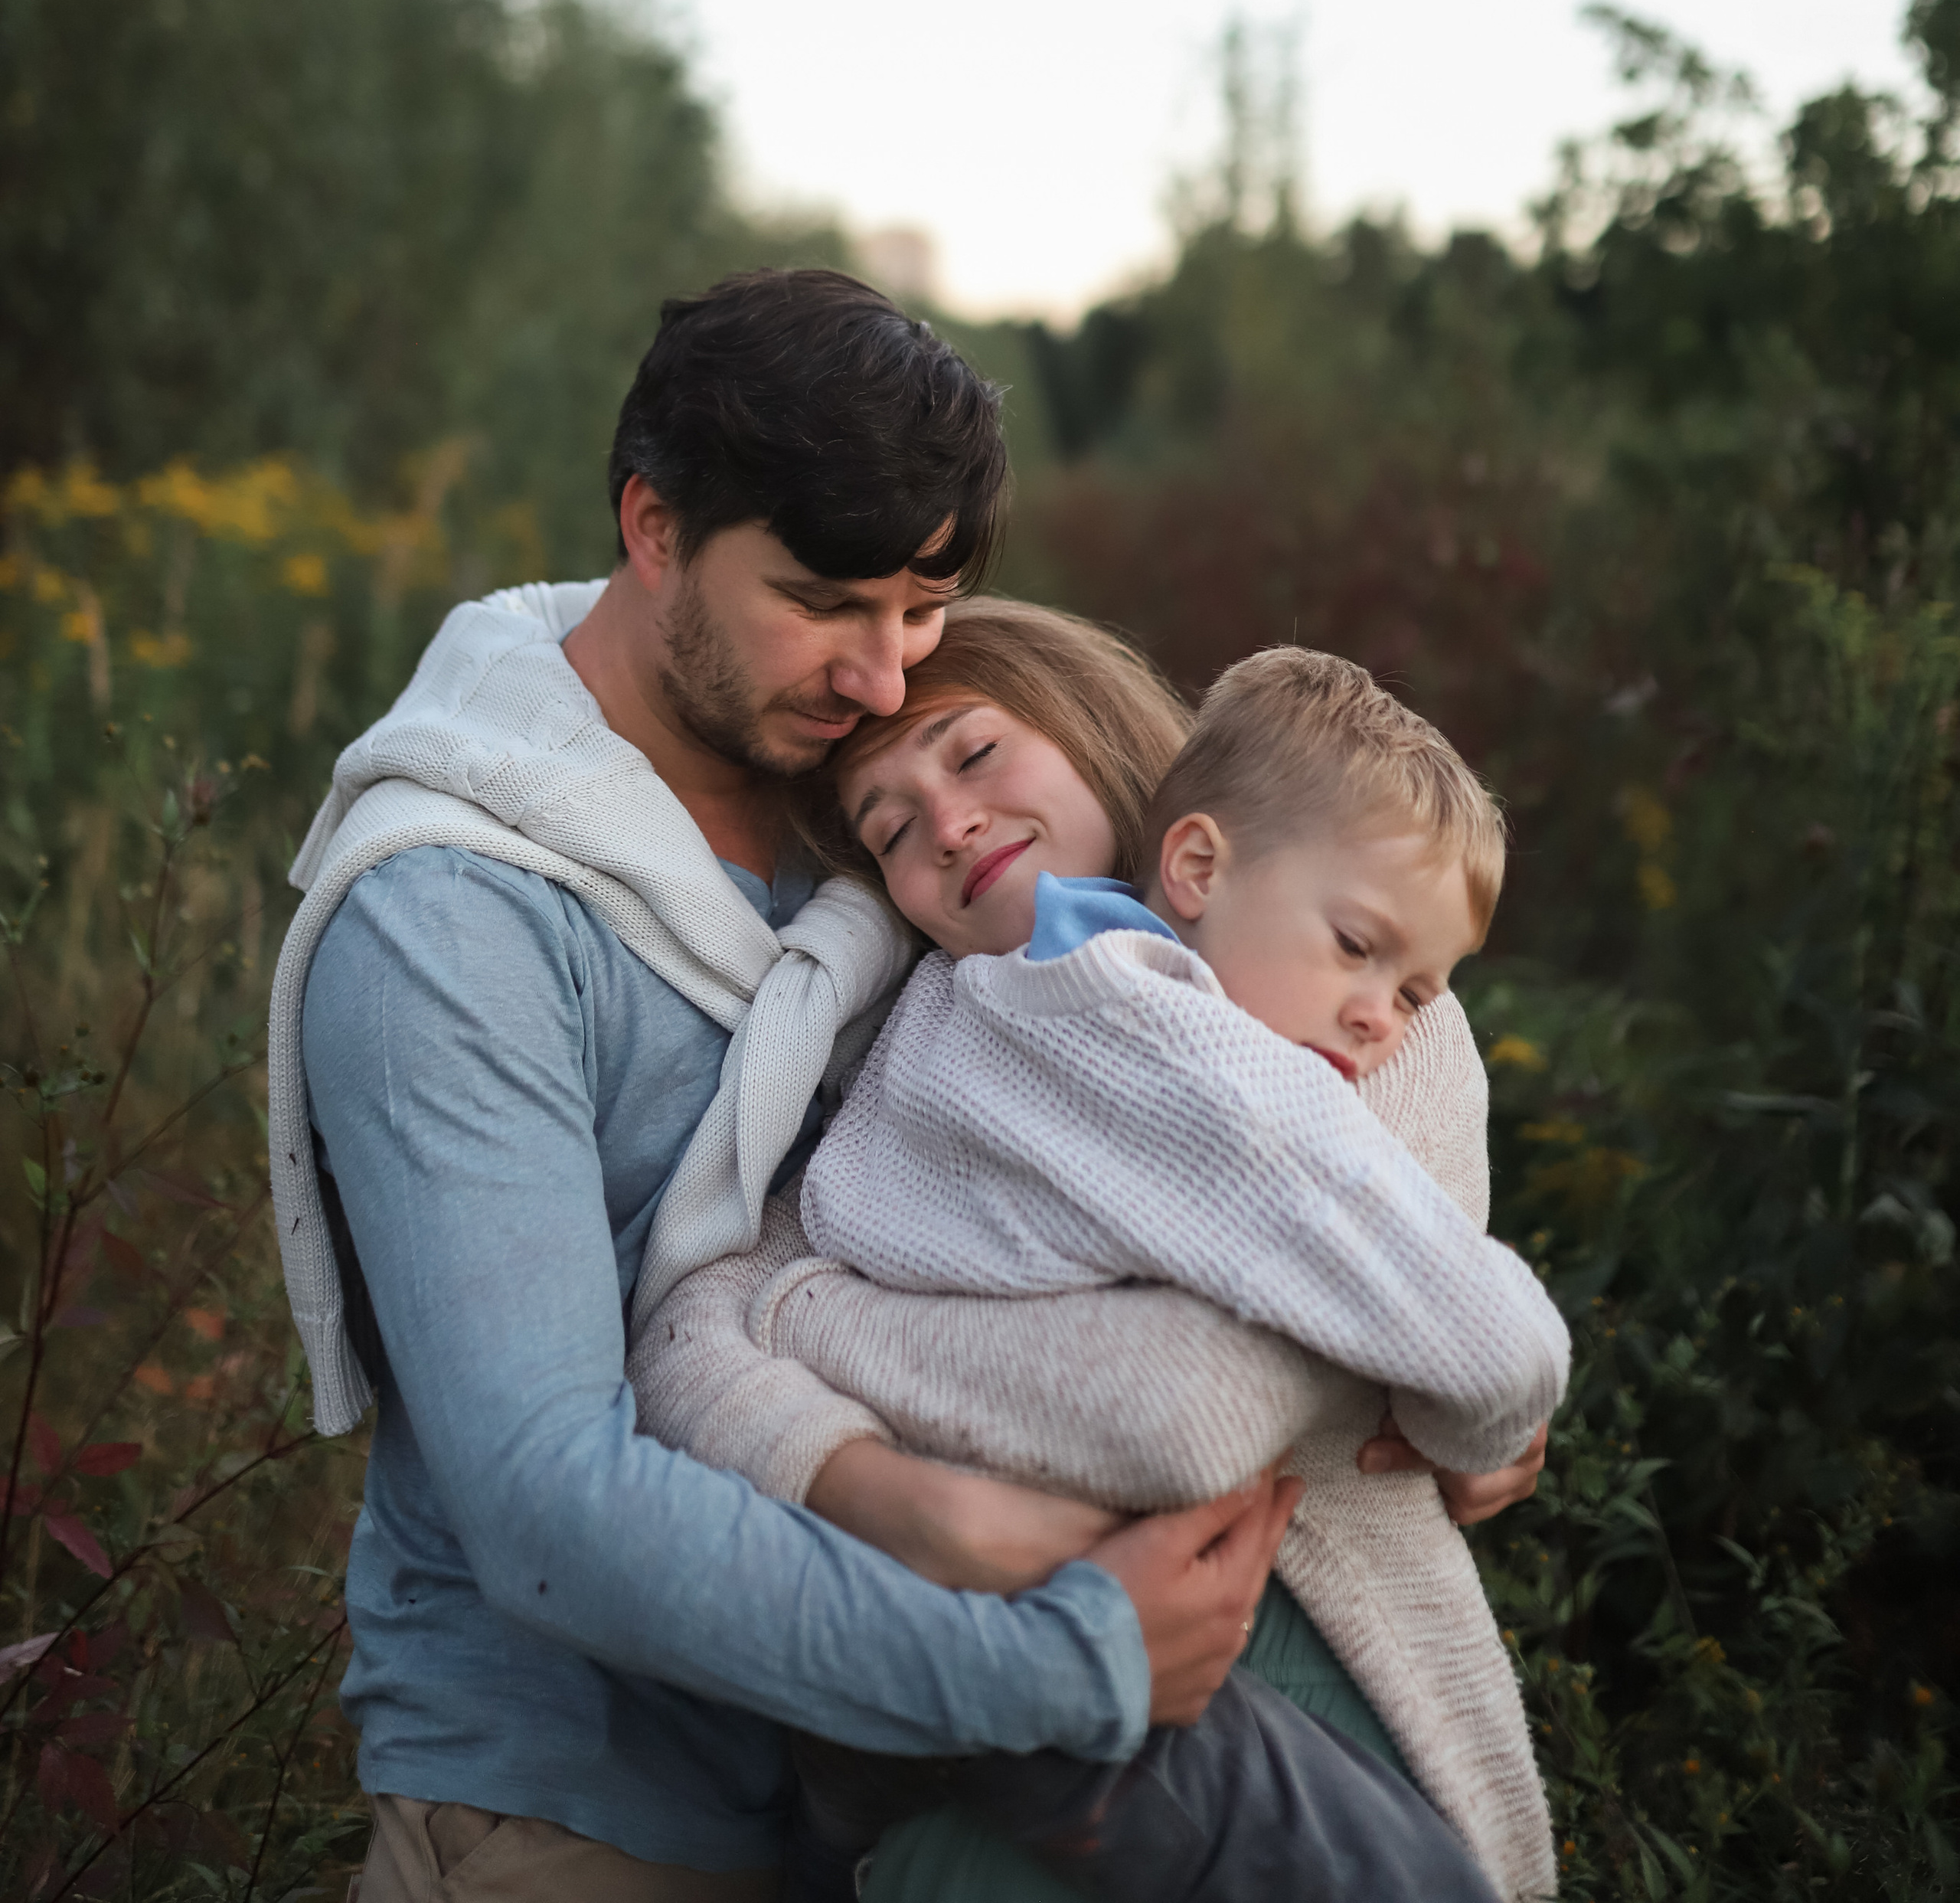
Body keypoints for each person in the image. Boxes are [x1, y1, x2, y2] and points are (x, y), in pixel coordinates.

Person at [267, 273, 1298, 1903]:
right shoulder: (455, 926)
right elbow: (544, 1502)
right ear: (652, 525)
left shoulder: (872, 811)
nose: (885, 678)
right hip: (579, 1819)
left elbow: (1226, 1023)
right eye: (826, 603)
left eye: (921, 609)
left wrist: (1431, 1355)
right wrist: (1062, 1663)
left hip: (896, 1806)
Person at [635, 603, 1564, 1903]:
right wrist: (889, 1456)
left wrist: (814, 1329)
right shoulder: (918, 1059)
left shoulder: (1374, 1016)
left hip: (1333, 1712)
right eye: (890, 830)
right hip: (977, 1773)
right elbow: (684, 1341)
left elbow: (1199, 1407)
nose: (946, 824)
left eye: (973, 757)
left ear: (1078, 720)